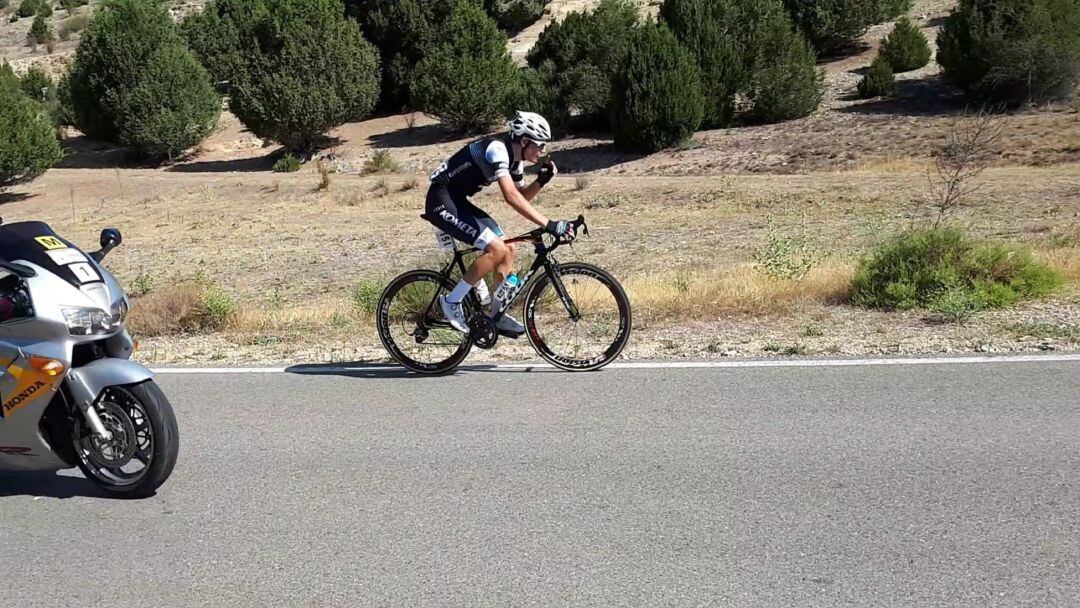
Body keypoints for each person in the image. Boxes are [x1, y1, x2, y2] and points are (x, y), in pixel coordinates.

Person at [424, 111, 576, 335]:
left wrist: (541, 181)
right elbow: (511, 197)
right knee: (496, 249)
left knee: (509, 247)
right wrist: (549, 224)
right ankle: (451, 301)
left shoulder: (515, 161)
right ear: (524, 141)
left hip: (457, 201)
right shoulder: (497, 149)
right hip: (441, 199)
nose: (542, 151)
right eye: (540, 145)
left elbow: (522, 195)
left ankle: (495, 314)